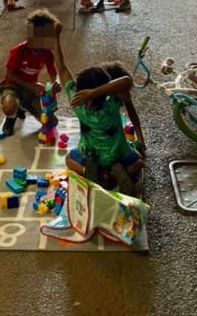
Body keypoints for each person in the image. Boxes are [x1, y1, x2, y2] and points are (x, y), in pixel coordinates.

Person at [51, 27, 144, 196]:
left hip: (89, 154)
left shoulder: (77, 102)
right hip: (117, 155)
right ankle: (115, 173)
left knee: (68, 160)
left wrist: (56, 38)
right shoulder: (112, 103)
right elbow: (126, 81)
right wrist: (95, 92)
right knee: (138, 161)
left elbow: (61, 68)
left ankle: (89, 171)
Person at [0, 8, 59, 136]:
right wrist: (32, 86)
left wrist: (56, 82)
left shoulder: (47, 53)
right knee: (9, 106)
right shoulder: (19, 51)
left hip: (30, 91)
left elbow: (53, 73)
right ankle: (11, 117)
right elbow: (9, 75)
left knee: (52, 122)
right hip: (12, 86)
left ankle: (22, 107)